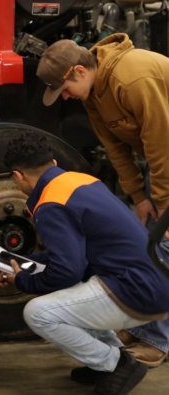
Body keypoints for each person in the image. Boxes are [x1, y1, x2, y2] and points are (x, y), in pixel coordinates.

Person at [0, 130, 169, 395]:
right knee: (75, 291)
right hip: (155, 283)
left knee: (37, 313)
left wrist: (23, 280)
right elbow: (70, 253)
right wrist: (20, 263)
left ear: (17, 176)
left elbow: (67, 272)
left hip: (136, 292)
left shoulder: (51, 205)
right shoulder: (77, 181)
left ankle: (117, 364)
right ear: (52, 164)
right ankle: (105, 362)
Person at [36, 33, 169, 368]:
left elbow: (161, 143)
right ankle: (146, 325)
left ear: (79, 71)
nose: (64, 98)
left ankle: (160, 340)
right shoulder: (94, 94)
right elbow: (115, 148)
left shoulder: (133, 77)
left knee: (163, 249)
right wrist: (138, 196)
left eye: (63, 90)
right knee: (150, 246)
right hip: (162, 163)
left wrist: (164, 204)